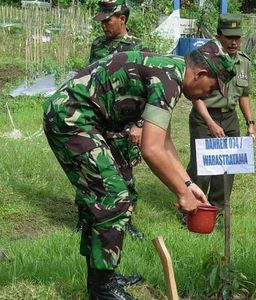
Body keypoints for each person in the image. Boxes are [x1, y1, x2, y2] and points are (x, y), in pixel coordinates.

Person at [42, 40, 235, 300]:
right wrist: (181, 194)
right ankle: (102, 289)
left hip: (91, 122)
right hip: (71, 118)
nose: (207, 96)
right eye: (211, 88)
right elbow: (152, 149)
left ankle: (102, 275)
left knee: (122, 195)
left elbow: (163, 142)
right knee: (113, 198)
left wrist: (189, 185)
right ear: (200, 74)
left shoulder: (170, 72)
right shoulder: (169, 78)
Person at [74, 0, 150, 239]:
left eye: (108, 20)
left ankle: (125, 220)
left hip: (124, 123)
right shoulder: (97, 45)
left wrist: (139, 124)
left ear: (122, 19)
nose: (103, 25)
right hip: (97, 119)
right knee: (90, 168)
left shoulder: (137, 46)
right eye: (102, 21)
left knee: (124, 172)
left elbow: (148, 87)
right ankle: (86, 216)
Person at [186, 13, 255, 209]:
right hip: (205, 117)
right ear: (218, 36)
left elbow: (244, 95)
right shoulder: (204, 58)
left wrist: (250, 123)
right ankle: (193, 208)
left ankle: (218, 210)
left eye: (237, 37)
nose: (233, 42)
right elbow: (195, 96)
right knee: (202, 166)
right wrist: (210, 123)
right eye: (228, 37)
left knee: (228, 166)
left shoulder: (244, 62)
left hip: (230, 118)